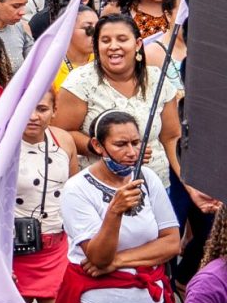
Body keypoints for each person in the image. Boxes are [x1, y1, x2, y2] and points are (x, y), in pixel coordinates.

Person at [47, 110, 180, 303]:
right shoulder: (78, 189)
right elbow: (98, 255)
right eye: (121, 144)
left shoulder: (147, 179)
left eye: (135, 142)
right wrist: (114, 212)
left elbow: (171, 242)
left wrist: (119, 261)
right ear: (97, 145)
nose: (131, 152)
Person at [55, 13, 181, 188]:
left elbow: (171, 137)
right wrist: (106, 150)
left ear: (138, 44)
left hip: (156, 185)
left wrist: (186, 183)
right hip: (101, 187)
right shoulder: (80, 82)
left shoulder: (157, 79)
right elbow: (61, 133)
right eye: (105, 41)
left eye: (122, 39)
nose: (113, 46)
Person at [13, 91, 79, 303]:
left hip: (56, 248)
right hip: (15, 250)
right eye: (27, 108)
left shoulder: (64, 140)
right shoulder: (3, 143)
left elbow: (73, 192)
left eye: (42, 109)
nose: (33, 116)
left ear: (54, 111)